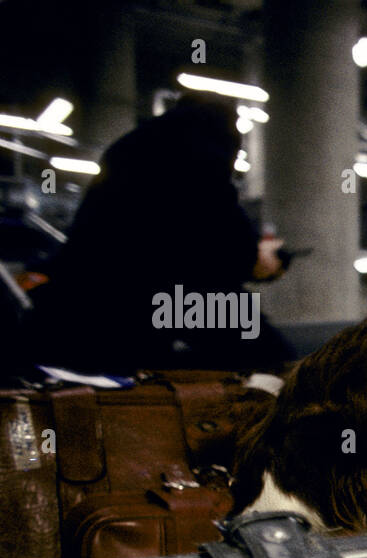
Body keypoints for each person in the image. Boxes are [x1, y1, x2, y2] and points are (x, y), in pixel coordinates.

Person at [22, 94, 293, 374]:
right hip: (149, 305)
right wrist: (259, 258)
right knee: (274, 363)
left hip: (76, 312)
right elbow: (227, 248)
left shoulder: (129, 147)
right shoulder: (204, 148)